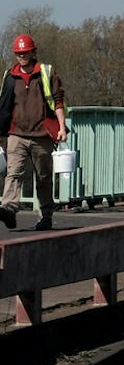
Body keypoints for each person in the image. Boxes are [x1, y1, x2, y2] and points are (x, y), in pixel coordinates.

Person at [2, 34, 67, 231]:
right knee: (13, 173)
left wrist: (62, 127)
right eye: (18, 53)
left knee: (44, 177)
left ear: (33, 52)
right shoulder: (10, 76)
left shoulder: (45, 73)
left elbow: (58, 100)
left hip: (42, 135)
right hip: (17, 134)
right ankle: (9, 209)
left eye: (25, 52)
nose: (22, 56)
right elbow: (3, 104)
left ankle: (45, 216)